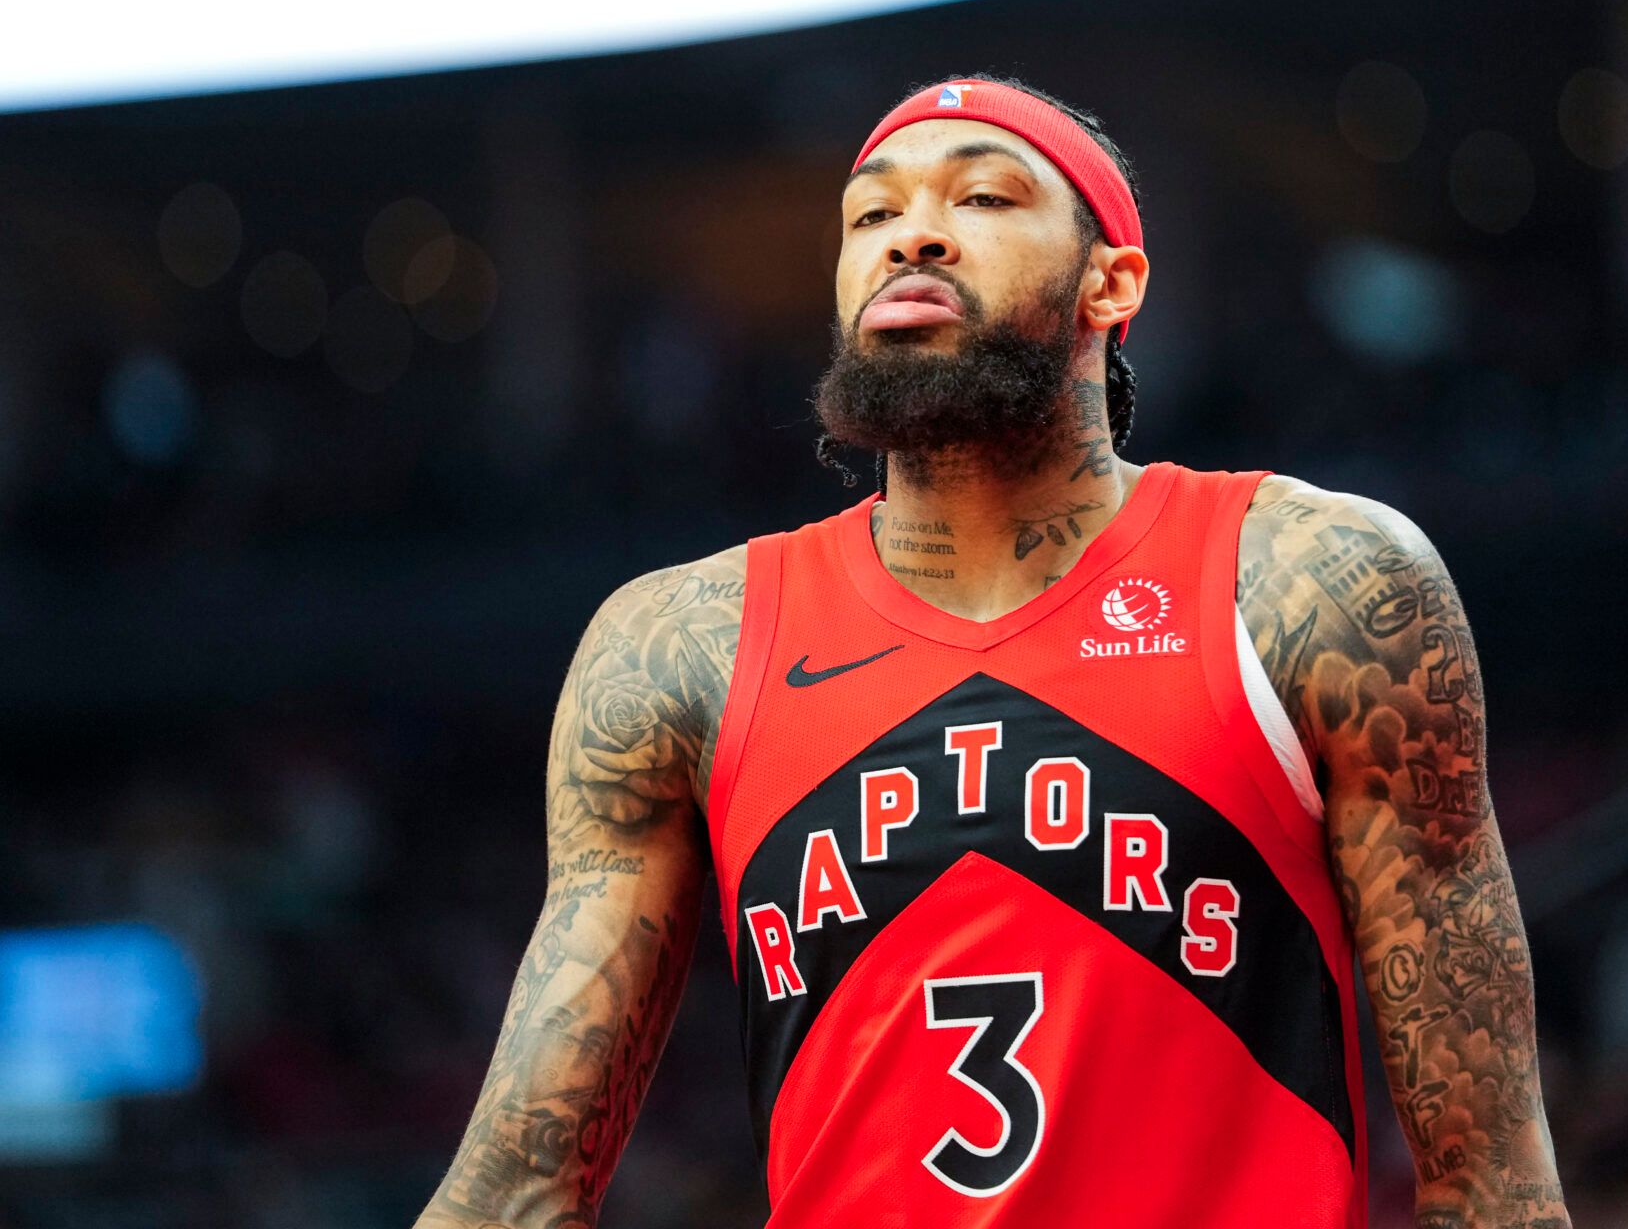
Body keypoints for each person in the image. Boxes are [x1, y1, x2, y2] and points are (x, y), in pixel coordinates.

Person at [413, 75, 1568, 1229]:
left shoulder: (1317, 583)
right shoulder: (678, 646)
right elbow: (521, 1183)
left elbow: (1492, 1181)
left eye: (981, 196)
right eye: (870, 215)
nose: (911, 232)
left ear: (1111, 283)